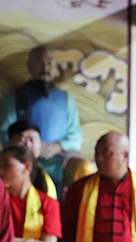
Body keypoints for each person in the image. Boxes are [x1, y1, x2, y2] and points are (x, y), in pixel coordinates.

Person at [0, 46, 82, 185]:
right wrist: (29, 147)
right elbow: (4, 132)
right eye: (39, 61)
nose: (45, 66)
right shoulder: (14, 97)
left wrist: (56, 146)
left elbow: (76, 136)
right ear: (30, 66)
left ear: (56, 68)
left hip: (57, 159)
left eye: (50, 62)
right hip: (24, 159)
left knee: (82, 168)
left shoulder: (66, 99)